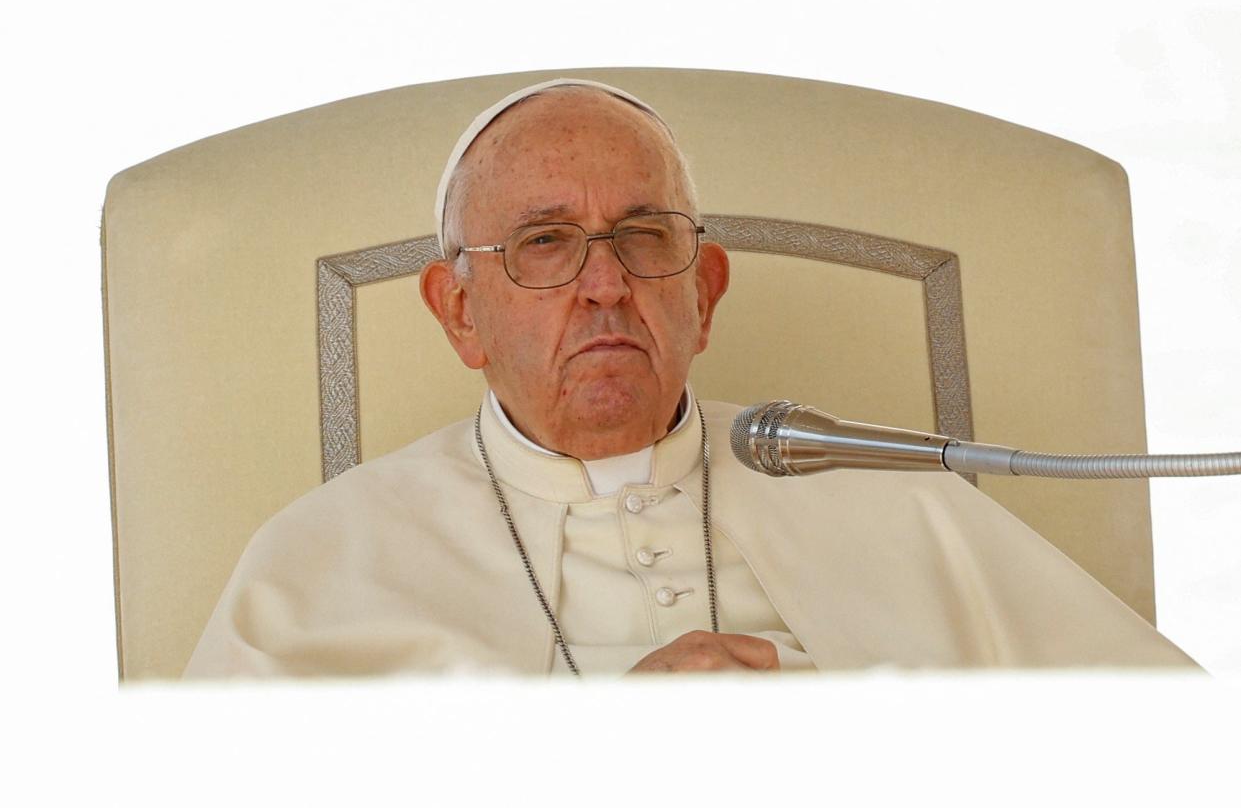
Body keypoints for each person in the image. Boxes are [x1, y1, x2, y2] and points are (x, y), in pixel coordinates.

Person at [183, 79, 1197, 678]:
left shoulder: (892, 498)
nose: (605, 286)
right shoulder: (317, 564)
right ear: (458, 312)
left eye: (642, 236)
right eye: (543, 243)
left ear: (702, 293)